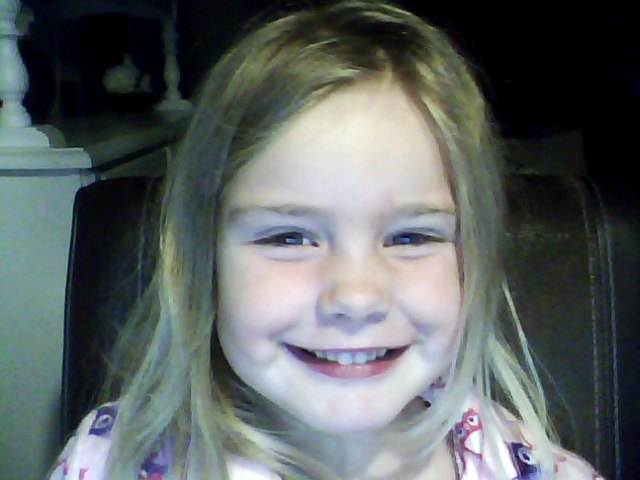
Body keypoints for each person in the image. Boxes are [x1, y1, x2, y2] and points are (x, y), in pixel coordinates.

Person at [47, 1, 605, 479]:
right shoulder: (114, 461)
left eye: (410, 236)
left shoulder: (536, 469)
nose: (356, 298)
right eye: (290, 237)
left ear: (474, 261)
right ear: (204, 259)